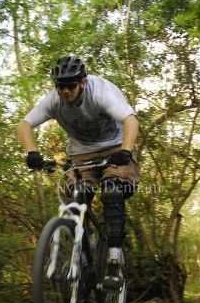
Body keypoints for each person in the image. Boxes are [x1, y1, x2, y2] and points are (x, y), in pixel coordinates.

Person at [17, 55, 140, 288]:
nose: (65, 92)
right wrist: (32, 152)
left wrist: (126, 150)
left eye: (71, 86)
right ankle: (82, 254)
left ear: (82, 82)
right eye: (60, 87)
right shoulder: (54, 101)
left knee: (113, 192)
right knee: (75, 197)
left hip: (115, 148)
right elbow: (24, 125)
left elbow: (130, 120)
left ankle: (114, 257)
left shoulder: (101, 92)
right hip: (81, 154)